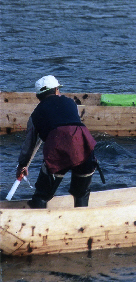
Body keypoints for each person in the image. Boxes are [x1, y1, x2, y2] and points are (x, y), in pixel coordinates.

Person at [16, 75, 98, 208]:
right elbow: (70, 128)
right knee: (81, 193)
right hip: (84, 147)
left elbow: (30, 144)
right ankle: (81, 225)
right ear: (56, 91)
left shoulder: (35, 115)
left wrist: (23, 164)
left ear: (38, 97)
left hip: (58, 150)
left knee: (42, 196)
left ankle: (37, 223)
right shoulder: (71, 103)